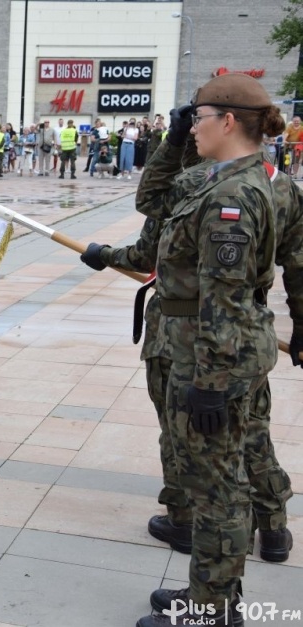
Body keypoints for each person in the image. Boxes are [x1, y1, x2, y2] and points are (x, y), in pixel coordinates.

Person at [120, 74, 289, 627]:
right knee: (215, 482)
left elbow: (225, 300)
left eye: (198, 117)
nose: (191, 127)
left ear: (228, 121)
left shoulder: (232, 197)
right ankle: (210, 595)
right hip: (220, 353)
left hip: (212, 358)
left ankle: (211, 611)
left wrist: (210, 383)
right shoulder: (235, 180)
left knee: (218, 490)